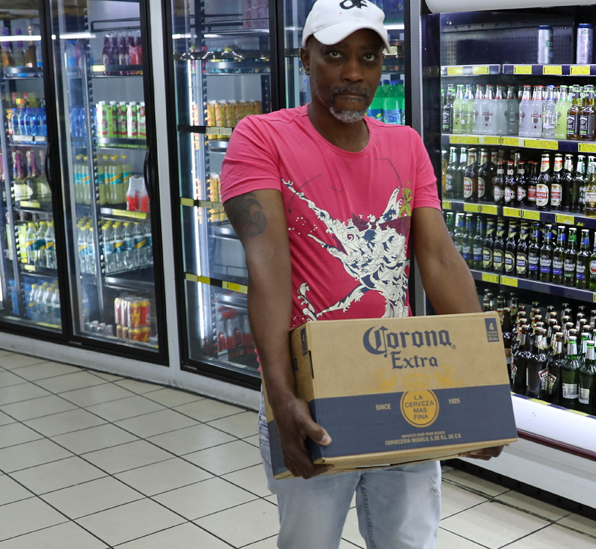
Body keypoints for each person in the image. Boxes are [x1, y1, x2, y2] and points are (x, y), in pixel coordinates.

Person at [220, 1, 502, 547]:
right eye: (335, 55)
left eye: (368, 57)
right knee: (310, 540)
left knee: (408, 540)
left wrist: (484, 387)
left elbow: (440, 259)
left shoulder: (406, 145)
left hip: (405, 380)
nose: (353, 72)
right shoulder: (261, 139)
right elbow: (269, 268)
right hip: (313, 388)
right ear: (305, 58)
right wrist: (282, 396)